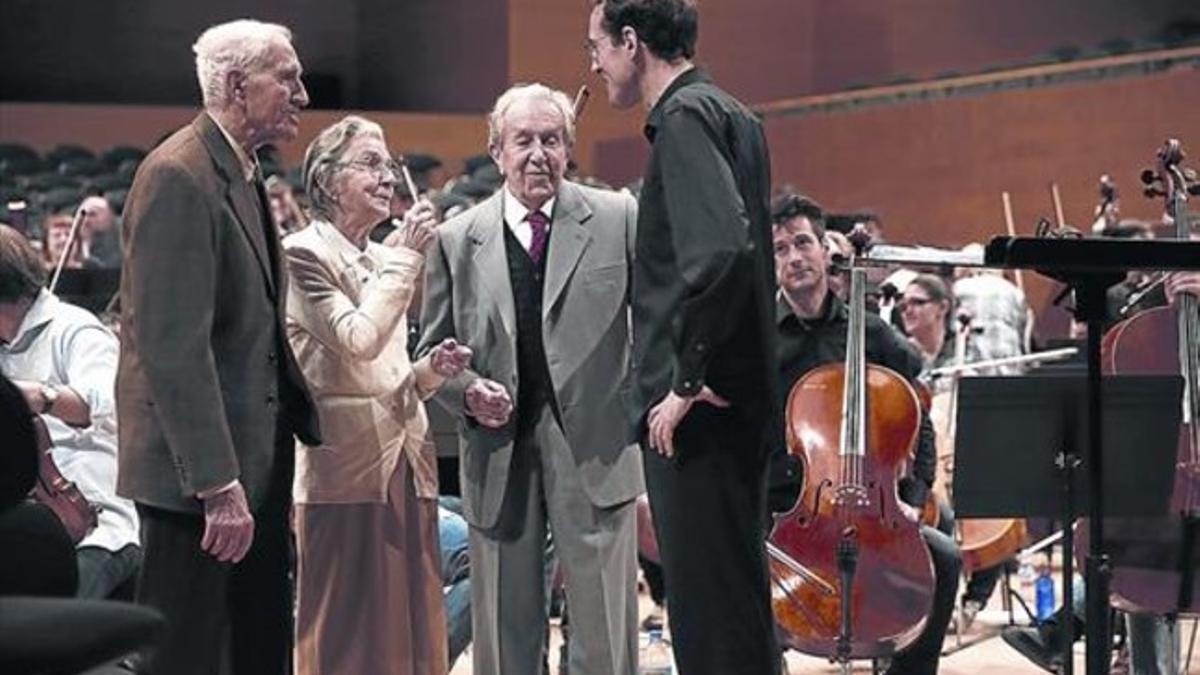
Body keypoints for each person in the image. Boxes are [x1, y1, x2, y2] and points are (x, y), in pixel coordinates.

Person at [115, 19, 319, 675]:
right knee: (189, 654)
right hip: (199, 484)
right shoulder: (178, 174)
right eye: (287, 78)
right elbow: (173, 349)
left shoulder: (239, 169)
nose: (303, 94)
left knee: (256, 646)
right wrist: (217, 484)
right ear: (237, 85)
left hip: (249, 466)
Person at [418, 82, 643, 675]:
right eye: (523, 141)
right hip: (499, 453)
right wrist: (467, 390)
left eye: (551, 140)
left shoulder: (620, 217)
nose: (538, 154)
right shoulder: (456, 239)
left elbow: (653, 325)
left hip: (595, 449)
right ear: (497, 151)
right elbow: (432, 353)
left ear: (569, 148)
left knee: (605, 636)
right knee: (504, 636)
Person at [588, 2, 782, 672]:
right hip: (736, 406)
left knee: (709, 615)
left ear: (632, 42)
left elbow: (723, 252)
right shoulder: (733, 113)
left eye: (599, 47)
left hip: (699, 417)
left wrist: (685, 380)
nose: (595, 63)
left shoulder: (682, 118)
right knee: (736, 605)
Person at [283, 114, 472, 675]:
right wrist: (405, 257)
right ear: (327, 180)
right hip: (344, 471)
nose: (388, 176)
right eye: (370, 163)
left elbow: (385, 376)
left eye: (389, 164)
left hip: (406, 464)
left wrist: (431, 371)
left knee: (410, 630)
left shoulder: (380, 260)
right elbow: (358, 340)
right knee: (344, 629)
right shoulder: (303, 254)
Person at [769, 194, 960, 675]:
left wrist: (914, 496)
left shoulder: (873, 336)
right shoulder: (760, 340)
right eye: (779, 249)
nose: (794, 257)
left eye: (802, 243)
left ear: (825, 251)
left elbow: (920, 419)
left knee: (945, 557)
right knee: (742, 572)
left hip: (876, 511)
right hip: (785, 510)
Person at [0, 224, 140, 600]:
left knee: (51, 617)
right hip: (19, 517)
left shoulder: (75, 330)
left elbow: (107, 405)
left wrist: (41, 396)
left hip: (91, 520)